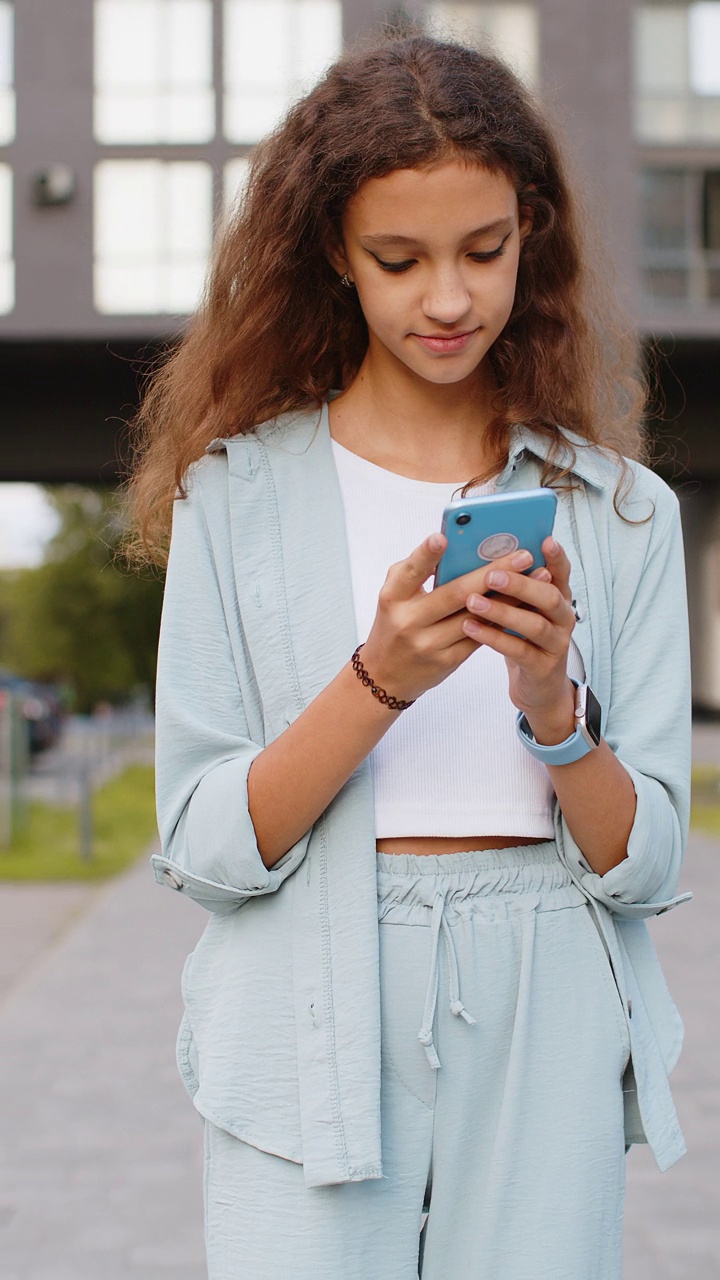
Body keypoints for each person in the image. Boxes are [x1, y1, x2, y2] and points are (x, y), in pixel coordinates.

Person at [128, 29, 691, 1280]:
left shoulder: (619, 513)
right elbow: (207, 847)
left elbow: (648, 864)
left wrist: (554, 707)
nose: (449, 298)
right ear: (336, 252)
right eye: (401, 258)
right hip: (306, 995)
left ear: (529, 232)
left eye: (485, 251)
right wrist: (380, 675)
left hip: (547, 989)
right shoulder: (239, 496)